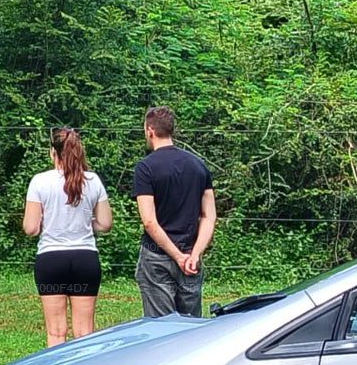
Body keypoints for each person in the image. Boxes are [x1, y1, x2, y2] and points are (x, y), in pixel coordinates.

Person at [23, 128, 112, 346]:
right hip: (84, 261)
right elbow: (105, 223)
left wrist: (48, 221)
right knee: (85, 332)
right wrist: (85, 222)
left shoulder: (39, 182)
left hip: (51, 261)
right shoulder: (93, 180)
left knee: (55, 332)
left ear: (53, 152)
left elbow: (31, 228)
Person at [131, 106, 217, 317]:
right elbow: (209, 216)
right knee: (191, 326)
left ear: (150, 130)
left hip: (157, 257)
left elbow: (149, 221)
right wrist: (194, 254)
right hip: (190, 256)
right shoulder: (198, 165)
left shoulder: (145, 168)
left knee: (162, 327)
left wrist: (177, 257)